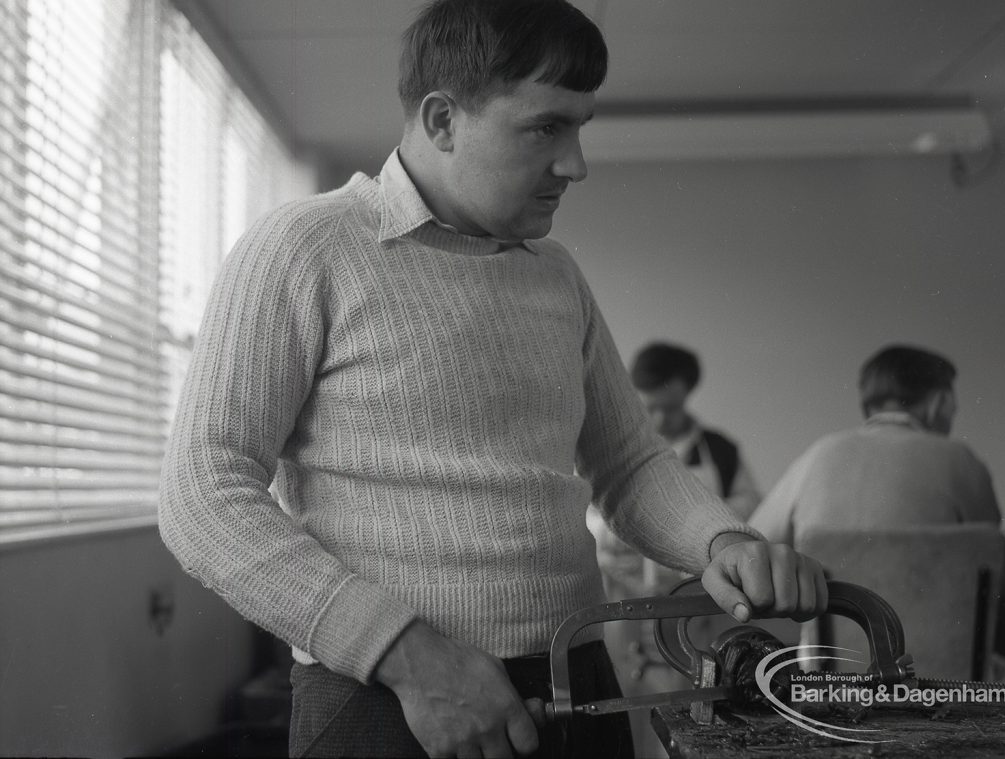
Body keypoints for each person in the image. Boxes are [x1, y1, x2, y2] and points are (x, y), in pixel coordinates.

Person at [158, 2, 827, 757]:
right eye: (546, 127)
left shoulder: (558, 276)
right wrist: (412, 658)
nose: (576, 163)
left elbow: (631, 465)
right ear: (443, 120)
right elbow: (202, 492)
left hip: (580, 678)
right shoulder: (303, 248)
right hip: (390, 696)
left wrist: (721, 540)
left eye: (581, 127)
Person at [587, 342, 762, 758]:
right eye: (651, 409)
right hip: (625, 601)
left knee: (691, 706)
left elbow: (751, 510)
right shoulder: (611, 449)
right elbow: (589, 514)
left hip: (694, 603)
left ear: (688, 392)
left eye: (670, 408)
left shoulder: (720, 451)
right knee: (624, 708)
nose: (661, 420)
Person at [749, 344, 1001, 546]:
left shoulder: (820, 452)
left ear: (868, 405)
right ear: (939, 402)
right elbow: (992, 551)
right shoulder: (959, 457)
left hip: (833, 610)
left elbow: (755, 541)